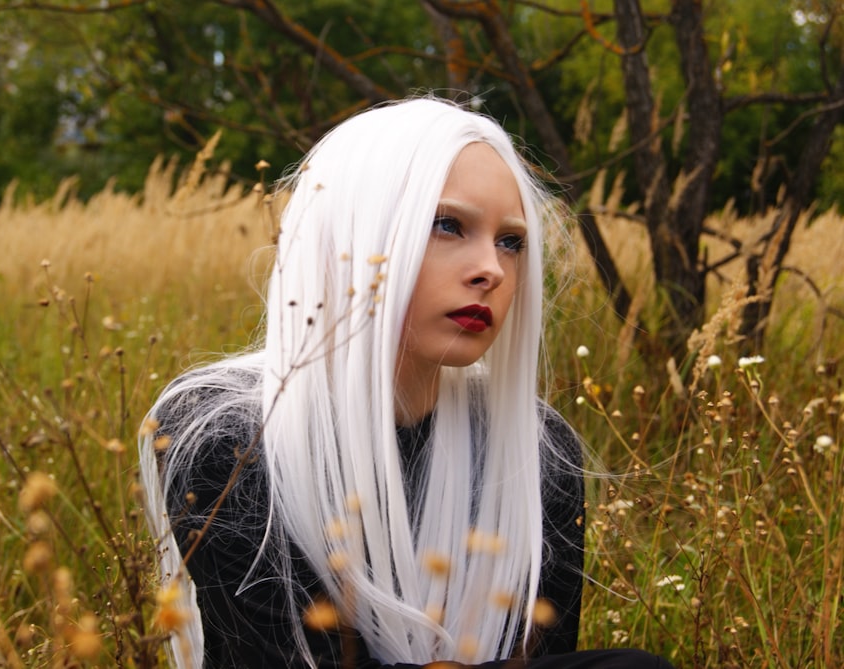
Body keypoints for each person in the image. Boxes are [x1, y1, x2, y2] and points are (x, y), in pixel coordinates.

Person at [140, 98, 675, 669]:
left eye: (511, 241)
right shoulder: (225, 433)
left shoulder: (535, 450)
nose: (491, 269)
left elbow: (541, 654)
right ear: (353, 232)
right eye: (448, 225)